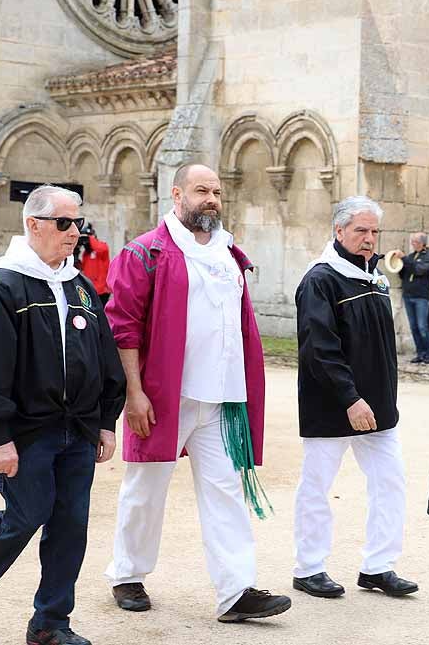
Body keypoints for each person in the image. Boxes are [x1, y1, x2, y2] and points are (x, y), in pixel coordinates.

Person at [0, 185, 126, 645]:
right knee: (27, 513)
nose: (74, 232)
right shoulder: (3, 284)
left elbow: (104, 357)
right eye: (63, 223)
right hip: (27, 431)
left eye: (77, 222)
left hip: (78, 429)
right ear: (33, 224)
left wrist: (105, 419)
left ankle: (50, 624)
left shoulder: (80, 286)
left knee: (70, 525)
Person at [104, 163, 291, 622]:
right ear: (176, 194)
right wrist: (134, 393)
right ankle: (127, 574)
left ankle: (236, 590)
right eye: (201, 190)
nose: (211, 199)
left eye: (217, 192)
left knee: (225, 490)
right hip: (166, 394)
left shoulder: (229, 254)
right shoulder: (145, 252)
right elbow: (122, 328)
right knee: (146, 486)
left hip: (223, 397)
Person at [293, 195, 417, 599]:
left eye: (374, 231)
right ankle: (309, 568)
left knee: (391, 481)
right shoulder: (320, 280)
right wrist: (349, 397)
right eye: (361, 230)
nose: (369, 239)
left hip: (378, 408)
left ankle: (378, 567)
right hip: (334, 404)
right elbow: (319, 347)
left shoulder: (374, 276)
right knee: (317, 485)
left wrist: (380, 399)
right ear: (339, 231)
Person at [392, 232, 429, 364]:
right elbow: (404, 274)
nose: (412, 244)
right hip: (408, 295)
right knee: (414, 327)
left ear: (422, 243)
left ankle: (428, 354)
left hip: (421, 297)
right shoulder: (411, 256)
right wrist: (398, 265)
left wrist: (404, 259)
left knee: (422, 327)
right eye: (412, 241)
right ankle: (420, 354)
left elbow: (419, 270)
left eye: (415, 241)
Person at [75, 223, 111, 306]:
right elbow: (83, 268)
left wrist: (88, 238)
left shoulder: (102, 247)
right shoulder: (86, 253)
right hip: (90, 289)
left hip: (102, 290)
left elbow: (99, 248)